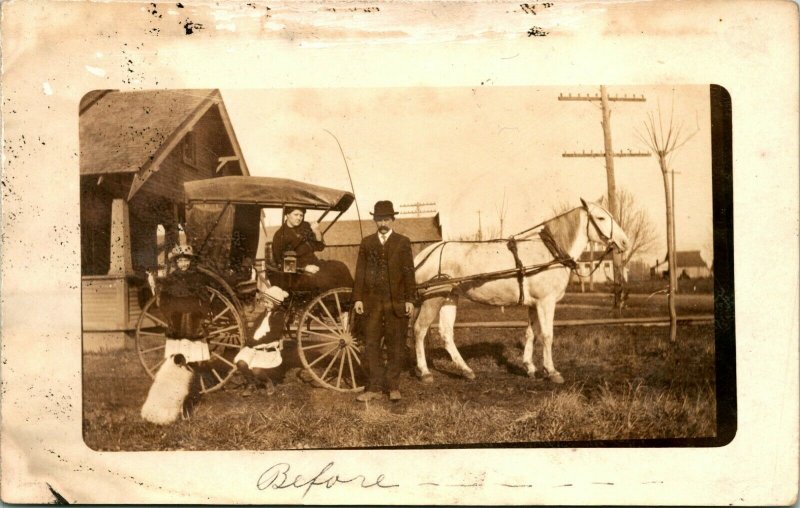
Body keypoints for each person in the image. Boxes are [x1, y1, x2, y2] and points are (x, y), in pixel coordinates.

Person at [353, 200, 416, 402]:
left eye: (386, 219)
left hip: (395, 302)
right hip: (372, 303)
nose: (383, 223)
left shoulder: (403, 242)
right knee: (371, 344)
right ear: (374, 220)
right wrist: (358, 299)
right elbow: (360, 273)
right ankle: (372, 387)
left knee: (396, 344)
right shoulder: (367, 242)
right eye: (379, 219)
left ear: (393, 220)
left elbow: (409, 273)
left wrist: (410, 299)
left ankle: (393, 386)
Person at [270, 206, 353, 291]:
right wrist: (304, 268)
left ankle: (351, 298)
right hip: (296, 273)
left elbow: (320, 247)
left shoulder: (305, 226)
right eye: (296, 215)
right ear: (287, 214)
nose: (299, 218)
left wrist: (316, 231)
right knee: (324, 279)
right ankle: (332, 301)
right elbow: (280, 263)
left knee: (340, 267)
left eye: (301, 215)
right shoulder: (280, 235)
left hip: (314, 263)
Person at [159, 244, 211, 364]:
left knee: (193, 349)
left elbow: (204, 298)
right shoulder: (171, 279)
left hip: (193, 317)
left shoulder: (196, 278)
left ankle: (193, 366)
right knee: (177, 347)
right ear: (176, 262)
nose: (183, 264)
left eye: (186, 260)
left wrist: (202, 315)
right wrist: (169, 315)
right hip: (176, 317)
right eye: (180, 261)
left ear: (190, 261)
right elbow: (164, 301)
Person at [234, 285, 289, 397]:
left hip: (266, 347)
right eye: (265, 302)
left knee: (256, 370)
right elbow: (254, 328)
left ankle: (267, 382)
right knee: (241, 362)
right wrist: (250, 339)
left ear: (275, 304)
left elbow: (272, 335)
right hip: (255, 346)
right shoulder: (263, 315)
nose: (265, 305)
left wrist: (256, 342)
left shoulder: (278, 317)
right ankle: (251, 384)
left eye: (268, 303)